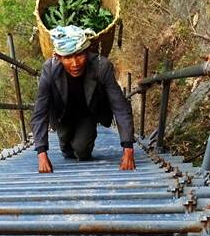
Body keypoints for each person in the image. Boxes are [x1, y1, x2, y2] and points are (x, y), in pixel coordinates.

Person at [31, 25, 135, 173]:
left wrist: (128, 147)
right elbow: (40, 111)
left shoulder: (101, 66)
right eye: (67, 57)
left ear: (87, 52)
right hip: (62, 113)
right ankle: (66, 145)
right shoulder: (50, 69)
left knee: (82, 151)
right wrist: (41, 153)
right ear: (58, 57)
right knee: (66, 147)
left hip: (88, 113)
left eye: (79, 55)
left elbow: (120, 106)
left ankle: (81, 142)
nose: (75, 63)